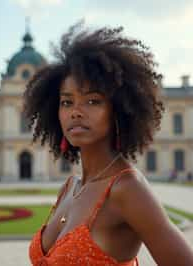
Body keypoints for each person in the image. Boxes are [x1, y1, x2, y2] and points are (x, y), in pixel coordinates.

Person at [23, 22, 193, 266]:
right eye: (67, 102)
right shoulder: (70, 186)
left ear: (119, 110)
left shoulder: (127, 188)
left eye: (92, 101)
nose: (76, 112)